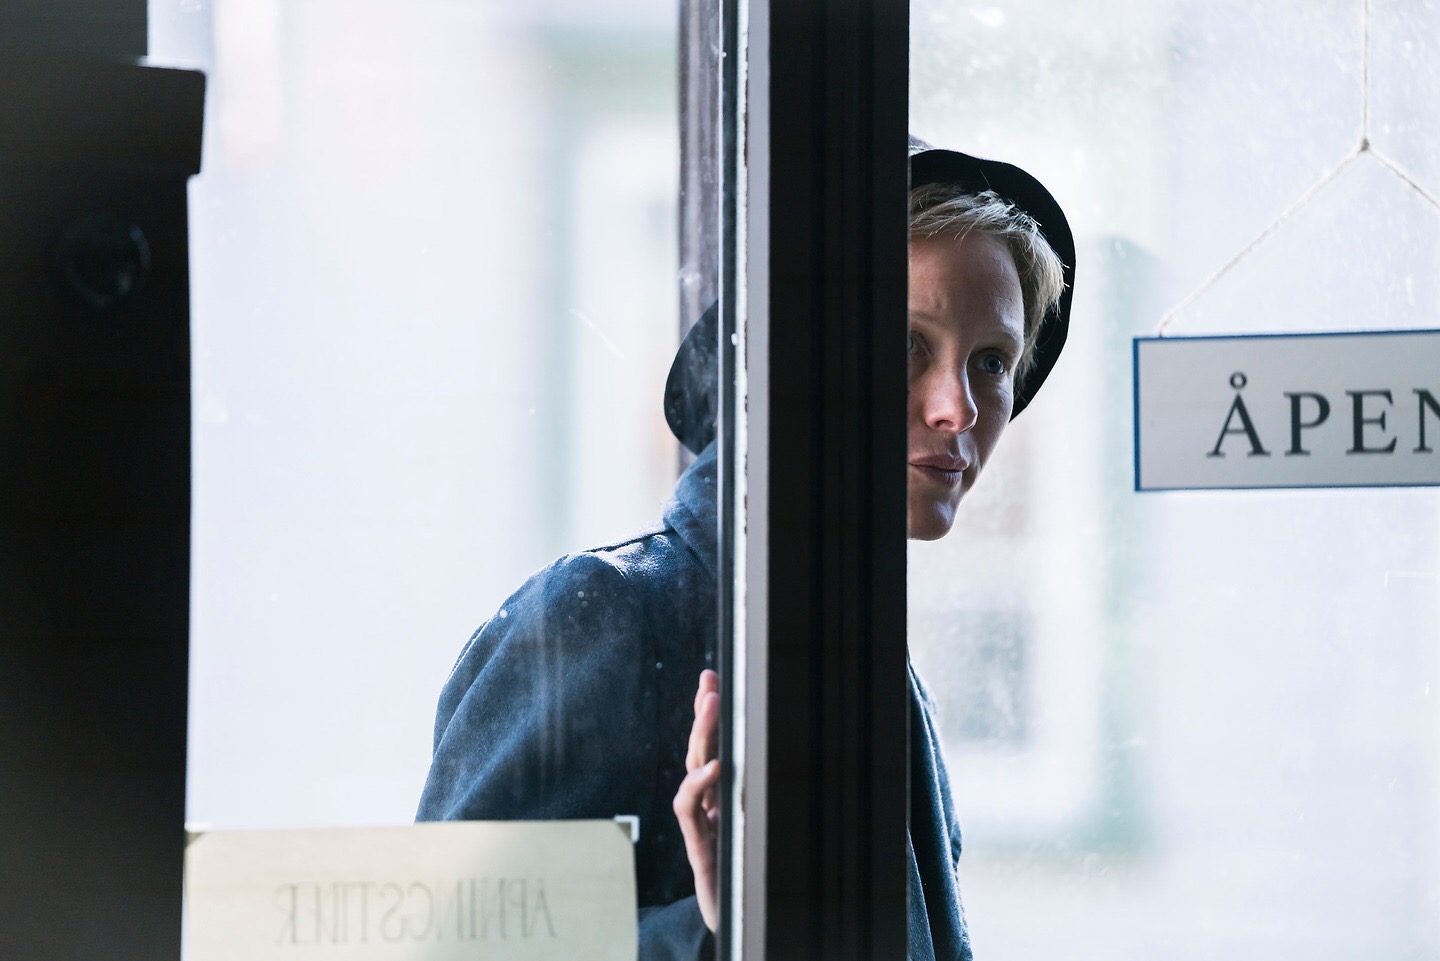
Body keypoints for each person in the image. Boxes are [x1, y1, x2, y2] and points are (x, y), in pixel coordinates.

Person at [417, 137, 1075, 961]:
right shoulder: (601, 614)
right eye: (906, 342)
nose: (959, 408)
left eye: (992, 362)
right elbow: (452, 948)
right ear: (785, 355)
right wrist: (722, 928)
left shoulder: (877, 672)